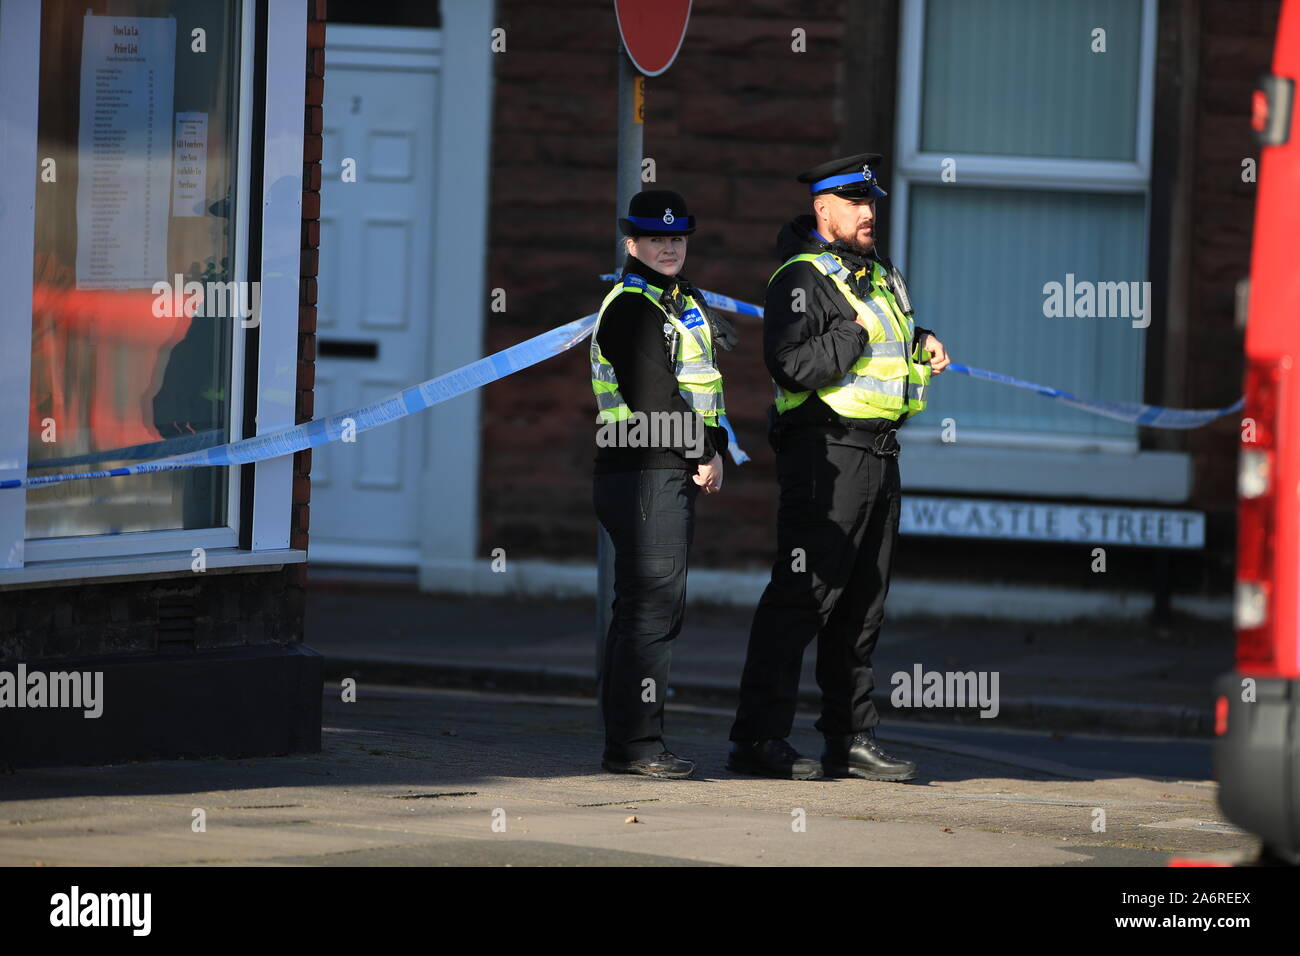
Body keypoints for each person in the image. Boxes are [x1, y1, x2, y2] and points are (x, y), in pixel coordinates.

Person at [727, 153, 951, 782]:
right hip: (825, 455)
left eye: (871, 202)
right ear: (822, 208)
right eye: (855, 203)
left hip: (878, 453)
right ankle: (757, 740)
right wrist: (851, 337)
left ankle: (849, 739)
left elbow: (883, 336)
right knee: (803, 598)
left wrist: (922, 338)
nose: (868, 213)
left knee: (863, 604)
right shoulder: (799, 277)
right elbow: (791, 364)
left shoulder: (875, 273)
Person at [591, 188, 735, 779]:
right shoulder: (632, 306)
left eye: (677, 238)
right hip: (644, 471)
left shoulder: (673, 300)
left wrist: (714, 445)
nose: (670, 247)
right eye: (657, 239)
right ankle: (638, 745)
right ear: (633, 244)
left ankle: (629, 742)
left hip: (655, 469)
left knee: (644, 611)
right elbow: (655, 397)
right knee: (652, 613)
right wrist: (704, 451)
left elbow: (701, 386)